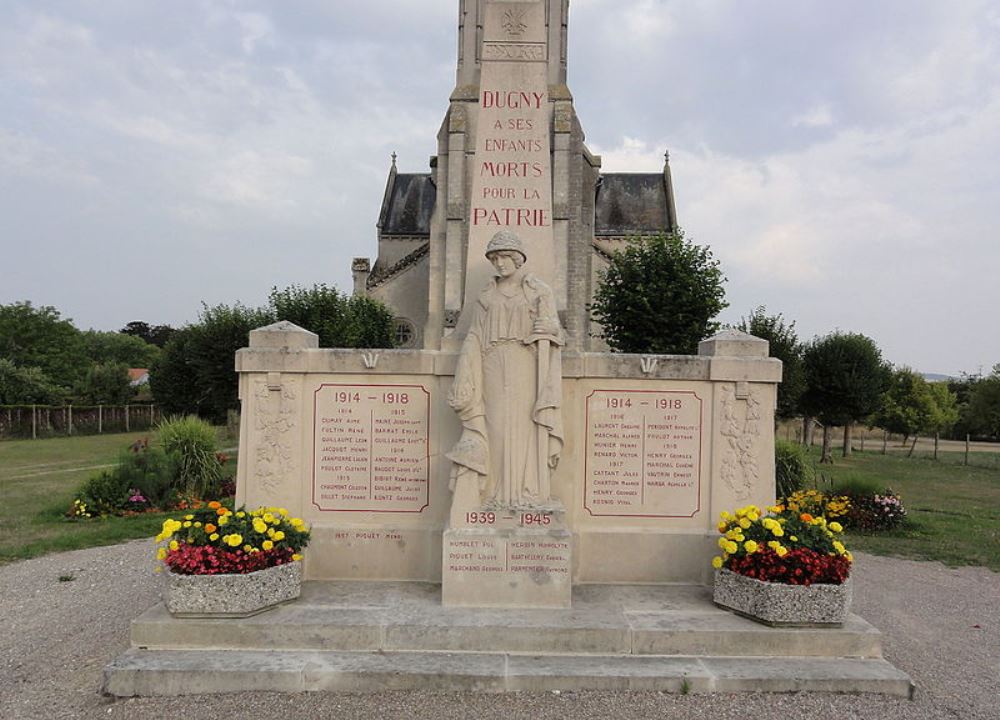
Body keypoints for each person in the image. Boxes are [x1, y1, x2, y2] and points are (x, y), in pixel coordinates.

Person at [447, 230, 564, 510]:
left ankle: (528, 492)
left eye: (504, 257)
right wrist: (465, 372)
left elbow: (557, 332)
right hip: (491, 365)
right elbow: (474, 334)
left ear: (517, 258)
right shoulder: (486, 294)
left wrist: (549, 330)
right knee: (495, 427)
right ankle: (495, 494)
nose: (499, 263)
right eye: (494, 258)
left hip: (526, 362)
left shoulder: (538, 291)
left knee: (525, 426)